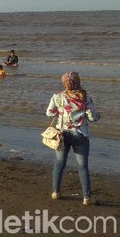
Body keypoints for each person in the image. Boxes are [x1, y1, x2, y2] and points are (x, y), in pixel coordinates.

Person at [47, 72, 100, 206]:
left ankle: (55, 192)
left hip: (62, 133)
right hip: (80, 133)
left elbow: (49, 113)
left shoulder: (57, 96)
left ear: (64, 83)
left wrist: (61, 112)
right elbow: (93, 117)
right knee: (82, 166)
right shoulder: (85, 97)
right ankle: (86, 197)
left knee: (59, 162)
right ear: (78, 81)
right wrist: (97, 116)